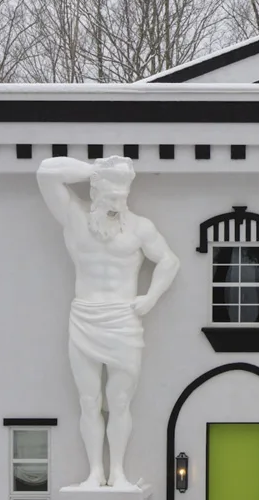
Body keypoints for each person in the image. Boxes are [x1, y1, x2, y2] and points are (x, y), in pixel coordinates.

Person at [37, 156, 180, 489]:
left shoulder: (139, 227)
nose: (118, 204)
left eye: (123, 197)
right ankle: (94, 474)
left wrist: (150, 297)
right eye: (112, 197)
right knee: (88, 401)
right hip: (84, 316)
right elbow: (45, 172)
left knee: (119, 401)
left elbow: (170, 262)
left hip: (124, 320)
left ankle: (117, 471)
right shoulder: (74, 218)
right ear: (96, 191)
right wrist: (94, 170)